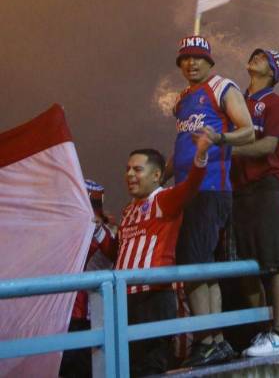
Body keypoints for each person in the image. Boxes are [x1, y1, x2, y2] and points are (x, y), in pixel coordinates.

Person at [171, 35, 254, 367]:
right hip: (187, 190)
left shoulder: (222, 87)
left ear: (209, 61)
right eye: (185, 59)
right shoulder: (183, 99)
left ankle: (206, 338)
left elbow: (248, 131)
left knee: (193, 266)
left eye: (198, 58)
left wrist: (220, 137)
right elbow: (182, 143)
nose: (192, 63)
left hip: (209, 189)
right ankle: (214, 339)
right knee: (204, 265)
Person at [118, 133, 212, 377]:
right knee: (125, 365)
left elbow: (191, 186)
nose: (129, 175)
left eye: (137, 170)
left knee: (150, 366)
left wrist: (200, 155)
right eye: (128, 169)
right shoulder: (128, 210)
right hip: (123, 297)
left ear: (157, 175)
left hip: (153, 297)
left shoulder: (162, 199)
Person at [229, 48, 279, 357]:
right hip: (239, 190)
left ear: (271, 72)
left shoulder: (276, 102)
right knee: (248, 267)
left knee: (275, 263)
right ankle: (261, 333)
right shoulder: (235, 101)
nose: (253, 56)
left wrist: (224, 147)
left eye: (261, 57)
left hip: (268, 188)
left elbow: (269, 144)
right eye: (253, 54)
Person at [59, 181, 116, 378]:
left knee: (80, 368)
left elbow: (112, 252)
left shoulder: (104, 232)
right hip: (59, 314)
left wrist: (97, 228)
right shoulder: (62, 229)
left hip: (84, 315)